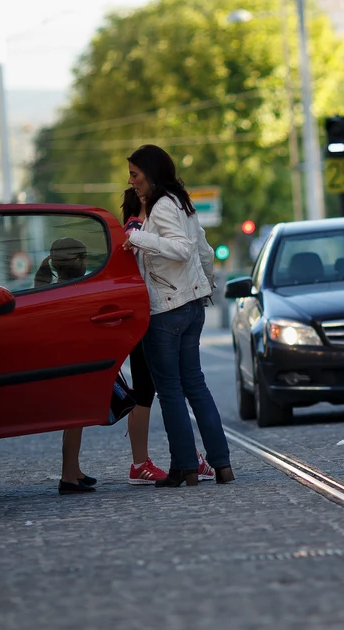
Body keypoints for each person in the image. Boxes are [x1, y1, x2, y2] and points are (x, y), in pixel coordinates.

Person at [123, 144, 233, 487]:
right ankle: (222, 463)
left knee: (171, 390)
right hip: (192, 304)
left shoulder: (163, 206)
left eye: (135, 174)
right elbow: (204, 251)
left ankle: (184, 467)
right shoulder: (182, 202)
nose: (132, 181)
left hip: (168, 309)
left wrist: (137, 237)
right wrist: (205, 287)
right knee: (196, 386)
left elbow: (183, 249)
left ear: (152, 174)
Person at [34, 238, 99, 494]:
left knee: (73, 422)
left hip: (63, 359)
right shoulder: (74, 289)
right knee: (75, 420)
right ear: (78, 261)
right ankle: (68, 477)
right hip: (72, 361)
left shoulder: (51, 287)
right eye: (83, 257)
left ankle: (74, 469)